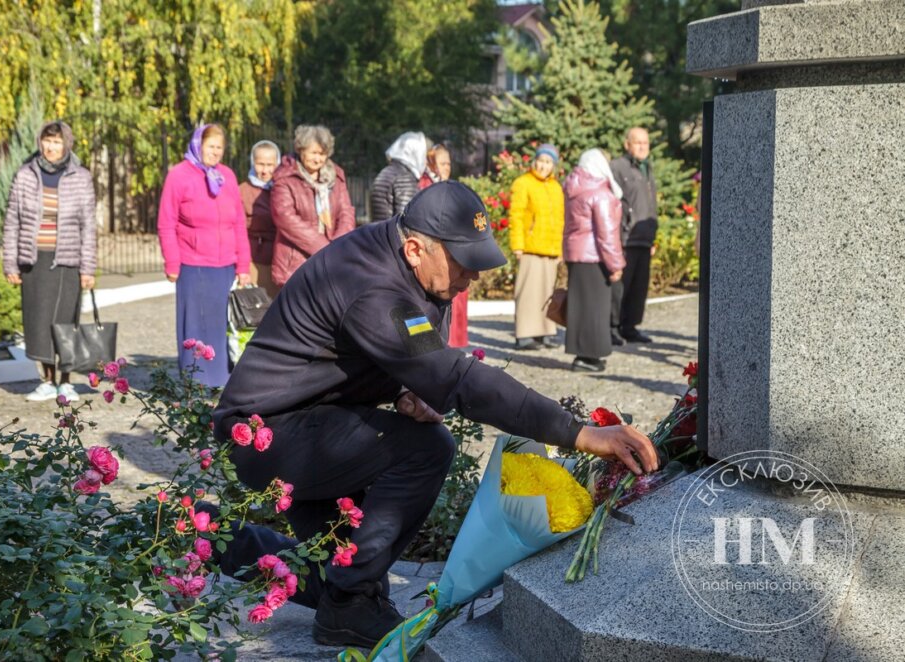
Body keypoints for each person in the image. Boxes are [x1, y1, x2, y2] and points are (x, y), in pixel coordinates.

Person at [210, 181, 657, 647]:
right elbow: (457, 378)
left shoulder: (413, 267)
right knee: (423, 450)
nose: (475, 276)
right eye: (465, 261)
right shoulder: (372, 284)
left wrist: (409, 386)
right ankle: (348, 606)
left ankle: (237, 545)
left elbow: (417, 354)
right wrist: (578, 433)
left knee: (339, 570)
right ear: (415, 248)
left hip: (316, 422)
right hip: (267, 435)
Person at [2, 121, 97, 402]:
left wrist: (88, 268)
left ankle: (66, 382)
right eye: (47, 140)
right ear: (39, 142)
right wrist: (10, 263)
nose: (51, 147)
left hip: (69, 260)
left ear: (66, 144)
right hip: (35, 260)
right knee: (39, 322)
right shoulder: (25, 175)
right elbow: (12, 222)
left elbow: (88, 226)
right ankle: (47, 379)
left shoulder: (81, 177)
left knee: (66, 322)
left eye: (56, 141)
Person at [158, 124, 251, 388]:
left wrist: (243, 264)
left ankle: (222, 381)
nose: (215, 152)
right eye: (211, 146)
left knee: (222, 325)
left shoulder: (227, 176)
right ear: (198, 145)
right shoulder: (178, 176)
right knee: (195, 325)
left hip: (225, 265)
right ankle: (196, 381)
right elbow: (166, 222)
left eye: (219, 148)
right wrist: (172, 262)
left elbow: (239, 224)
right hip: (193, 263)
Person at [562, 149, 626, 372]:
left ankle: (584, 354)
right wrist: (615, 265)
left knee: (581, 308)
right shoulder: (599, 193)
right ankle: (588, 357)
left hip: (576, 254)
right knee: (596, 309)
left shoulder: (574, 188)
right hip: (594, 257)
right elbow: (607, 234)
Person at [270, 125, 355, 287]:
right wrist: (323, 248)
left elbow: (346, 212)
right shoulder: (285, 177)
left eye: (322, 154)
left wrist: (337, 246)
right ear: (301, 150)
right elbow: (285, 218)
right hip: (296, 263)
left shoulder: (336, 176)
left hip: (332, 261)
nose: (318, 159)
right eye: (314, 153)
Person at [508, 143, 565, 351]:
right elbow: (516, 215)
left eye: (548, 162)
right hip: (530, 247)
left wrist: (560, 249)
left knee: (546, 294)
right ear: (535, 161)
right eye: (541, 160)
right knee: (528, 293)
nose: (543, 166)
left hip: (550, 249)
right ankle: (524, 334)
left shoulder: (556, 187)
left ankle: (545, 332)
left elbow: (560, 220)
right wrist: (518, 245)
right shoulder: (523, 183)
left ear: (553, 165)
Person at [610, 127, 658, 344]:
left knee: (639, 287)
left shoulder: (647, 168)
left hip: (644, 238)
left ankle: (630, 326)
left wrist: (653, 235)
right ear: (627, 144)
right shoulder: (618, 167)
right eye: (637, 142)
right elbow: (614, 204)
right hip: (625, 238)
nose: (642, 146)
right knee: (621, 287)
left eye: (645, 143)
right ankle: (613, 327)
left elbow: (651, 204)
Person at [417, 144, 467, 347]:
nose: (446, 167)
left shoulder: (453, 186)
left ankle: (455, 341)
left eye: (448, 163)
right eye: (442, 163)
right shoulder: (424, 185)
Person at [241, 139, 281, 298]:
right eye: (260, 164)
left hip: (278, 259)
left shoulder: (284, 188)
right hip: (252, 258)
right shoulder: (242, 191)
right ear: (252, 162)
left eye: (270, 165)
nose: (265, 170)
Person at [369, 131, 427, 222]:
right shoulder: (405, 178)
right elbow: (406, 220)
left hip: (378, 233)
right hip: (392, 235)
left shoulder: (385, 172)